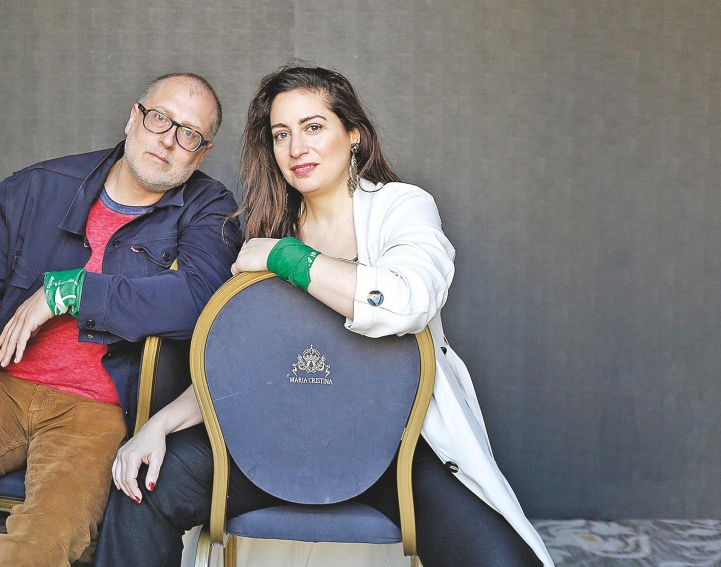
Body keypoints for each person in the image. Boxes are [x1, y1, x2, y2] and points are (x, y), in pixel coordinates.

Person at [93, 65, 555, 566]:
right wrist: (158, 425)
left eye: (313, 127)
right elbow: (237, 365)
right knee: (142, 485)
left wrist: (285, 257)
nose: (296, 148)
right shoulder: (269, 227)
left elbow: (410, 300)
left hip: (395, 454)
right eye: (281, 134)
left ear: (353, 134)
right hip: (273, 444)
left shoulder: (400, 208)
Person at [0, 72, 240, 566]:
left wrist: (71, 291)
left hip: (99, 410)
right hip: (2, 387)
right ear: (133, 118)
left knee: (47, 537)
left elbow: (201, 299)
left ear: (201, 154)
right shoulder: (33, 189)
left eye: (189, 134)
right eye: (160, 119)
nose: (168, 140)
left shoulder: (210, 210)